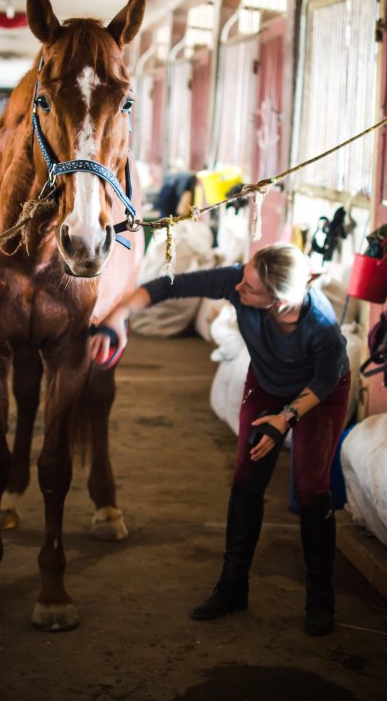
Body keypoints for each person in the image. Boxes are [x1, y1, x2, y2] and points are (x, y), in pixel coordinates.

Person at [89, 243, 351, 636]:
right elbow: (168, 286)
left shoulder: (322, 328)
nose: (238, 288)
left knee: (312, 489)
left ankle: (320, 598)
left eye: (249, 288)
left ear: (277, 303)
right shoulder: (239, 283)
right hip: (267, 382)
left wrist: (284, 419)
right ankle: (232, 586)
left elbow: (325, 381)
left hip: (319, 393)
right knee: (247, 477)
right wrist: (117, 317)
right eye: (243, 279)